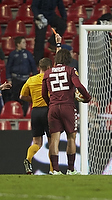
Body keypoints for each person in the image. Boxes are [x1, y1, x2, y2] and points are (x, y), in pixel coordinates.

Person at [42, 34, 91, 175]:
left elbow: (44, 93)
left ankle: (55, 170)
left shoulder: (48, 72)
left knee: (55, 138)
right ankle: (70, 169)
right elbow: (78, 85)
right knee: (71, 137)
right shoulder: (70, 71)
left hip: (53, 107)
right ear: (67, 59)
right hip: (68, 106)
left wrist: (50, 104)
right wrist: (87, 97)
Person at [20, 58, 53, 175]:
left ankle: (28, 159)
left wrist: (33, 99)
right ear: (49, 68)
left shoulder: (31, 80)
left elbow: (22, 96)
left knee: (37, 143)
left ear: (39, 68)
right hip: (48, 110)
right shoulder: (50, 78)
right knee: (52, 142)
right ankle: (52, 170)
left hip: (35, 112)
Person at [5, 36, 38, 116]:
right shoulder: (13, 54)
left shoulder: (28, 54)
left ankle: (25, 115)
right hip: (15, 79)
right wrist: (9, 78)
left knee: (26, 98)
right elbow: (8, 67)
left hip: (26, 79)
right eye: (23, 42)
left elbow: (33, 66)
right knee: (14, 97)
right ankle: (13, 113)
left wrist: (36, 77)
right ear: (18, 44)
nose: (25, 44)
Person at [31, 0, 67, 64]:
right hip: (41, 16)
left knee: (62, 25)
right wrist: (38, 16)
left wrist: (64, 18)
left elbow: (61, 6)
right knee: (40, 39)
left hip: (51, 15)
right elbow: (34, 6)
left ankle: (52, 43)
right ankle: (38, 62)